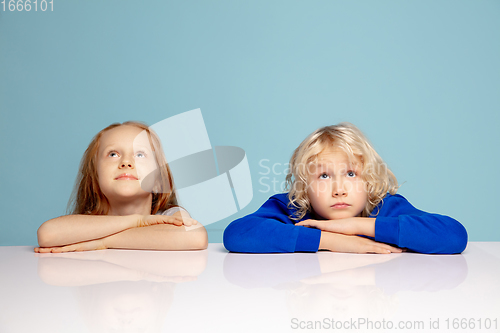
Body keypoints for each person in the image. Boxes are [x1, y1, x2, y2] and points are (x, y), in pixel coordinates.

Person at [223, 123, 467, 254]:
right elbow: (237, 234)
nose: (339, 189)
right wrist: (331, 240)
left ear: (369, 181)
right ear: (305, 188)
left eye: (351, 173)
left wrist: (357, 226)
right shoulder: (291, 209)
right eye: (324, 176)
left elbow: (454, 236)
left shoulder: (385, 207)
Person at [36, 121, 208, 253]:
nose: (126, 162)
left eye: (140, 154)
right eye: (113, 154)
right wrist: (137, 221)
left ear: (158, 181)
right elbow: (47, 234)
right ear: (95, 178)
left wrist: (105, 242)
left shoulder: (168, 216)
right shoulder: (87, 222)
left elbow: (196, 236)